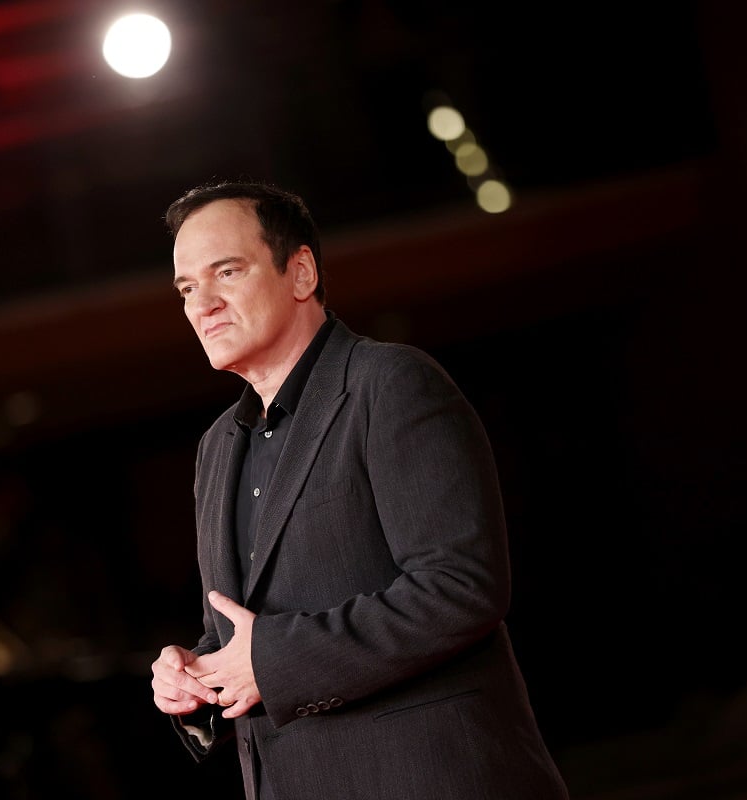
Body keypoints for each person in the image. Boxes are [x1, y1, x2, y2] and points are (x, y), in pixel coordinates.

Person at [150, 179, 569, 800]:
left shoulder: (391, 384)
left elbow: (462, 587)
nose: (201, 303)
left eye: (227, 272)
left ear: (300, 273)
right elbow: (253, 636)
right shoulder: (217, 447)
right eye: (187, 288)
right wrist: (196, 675)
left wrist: (271, 662)